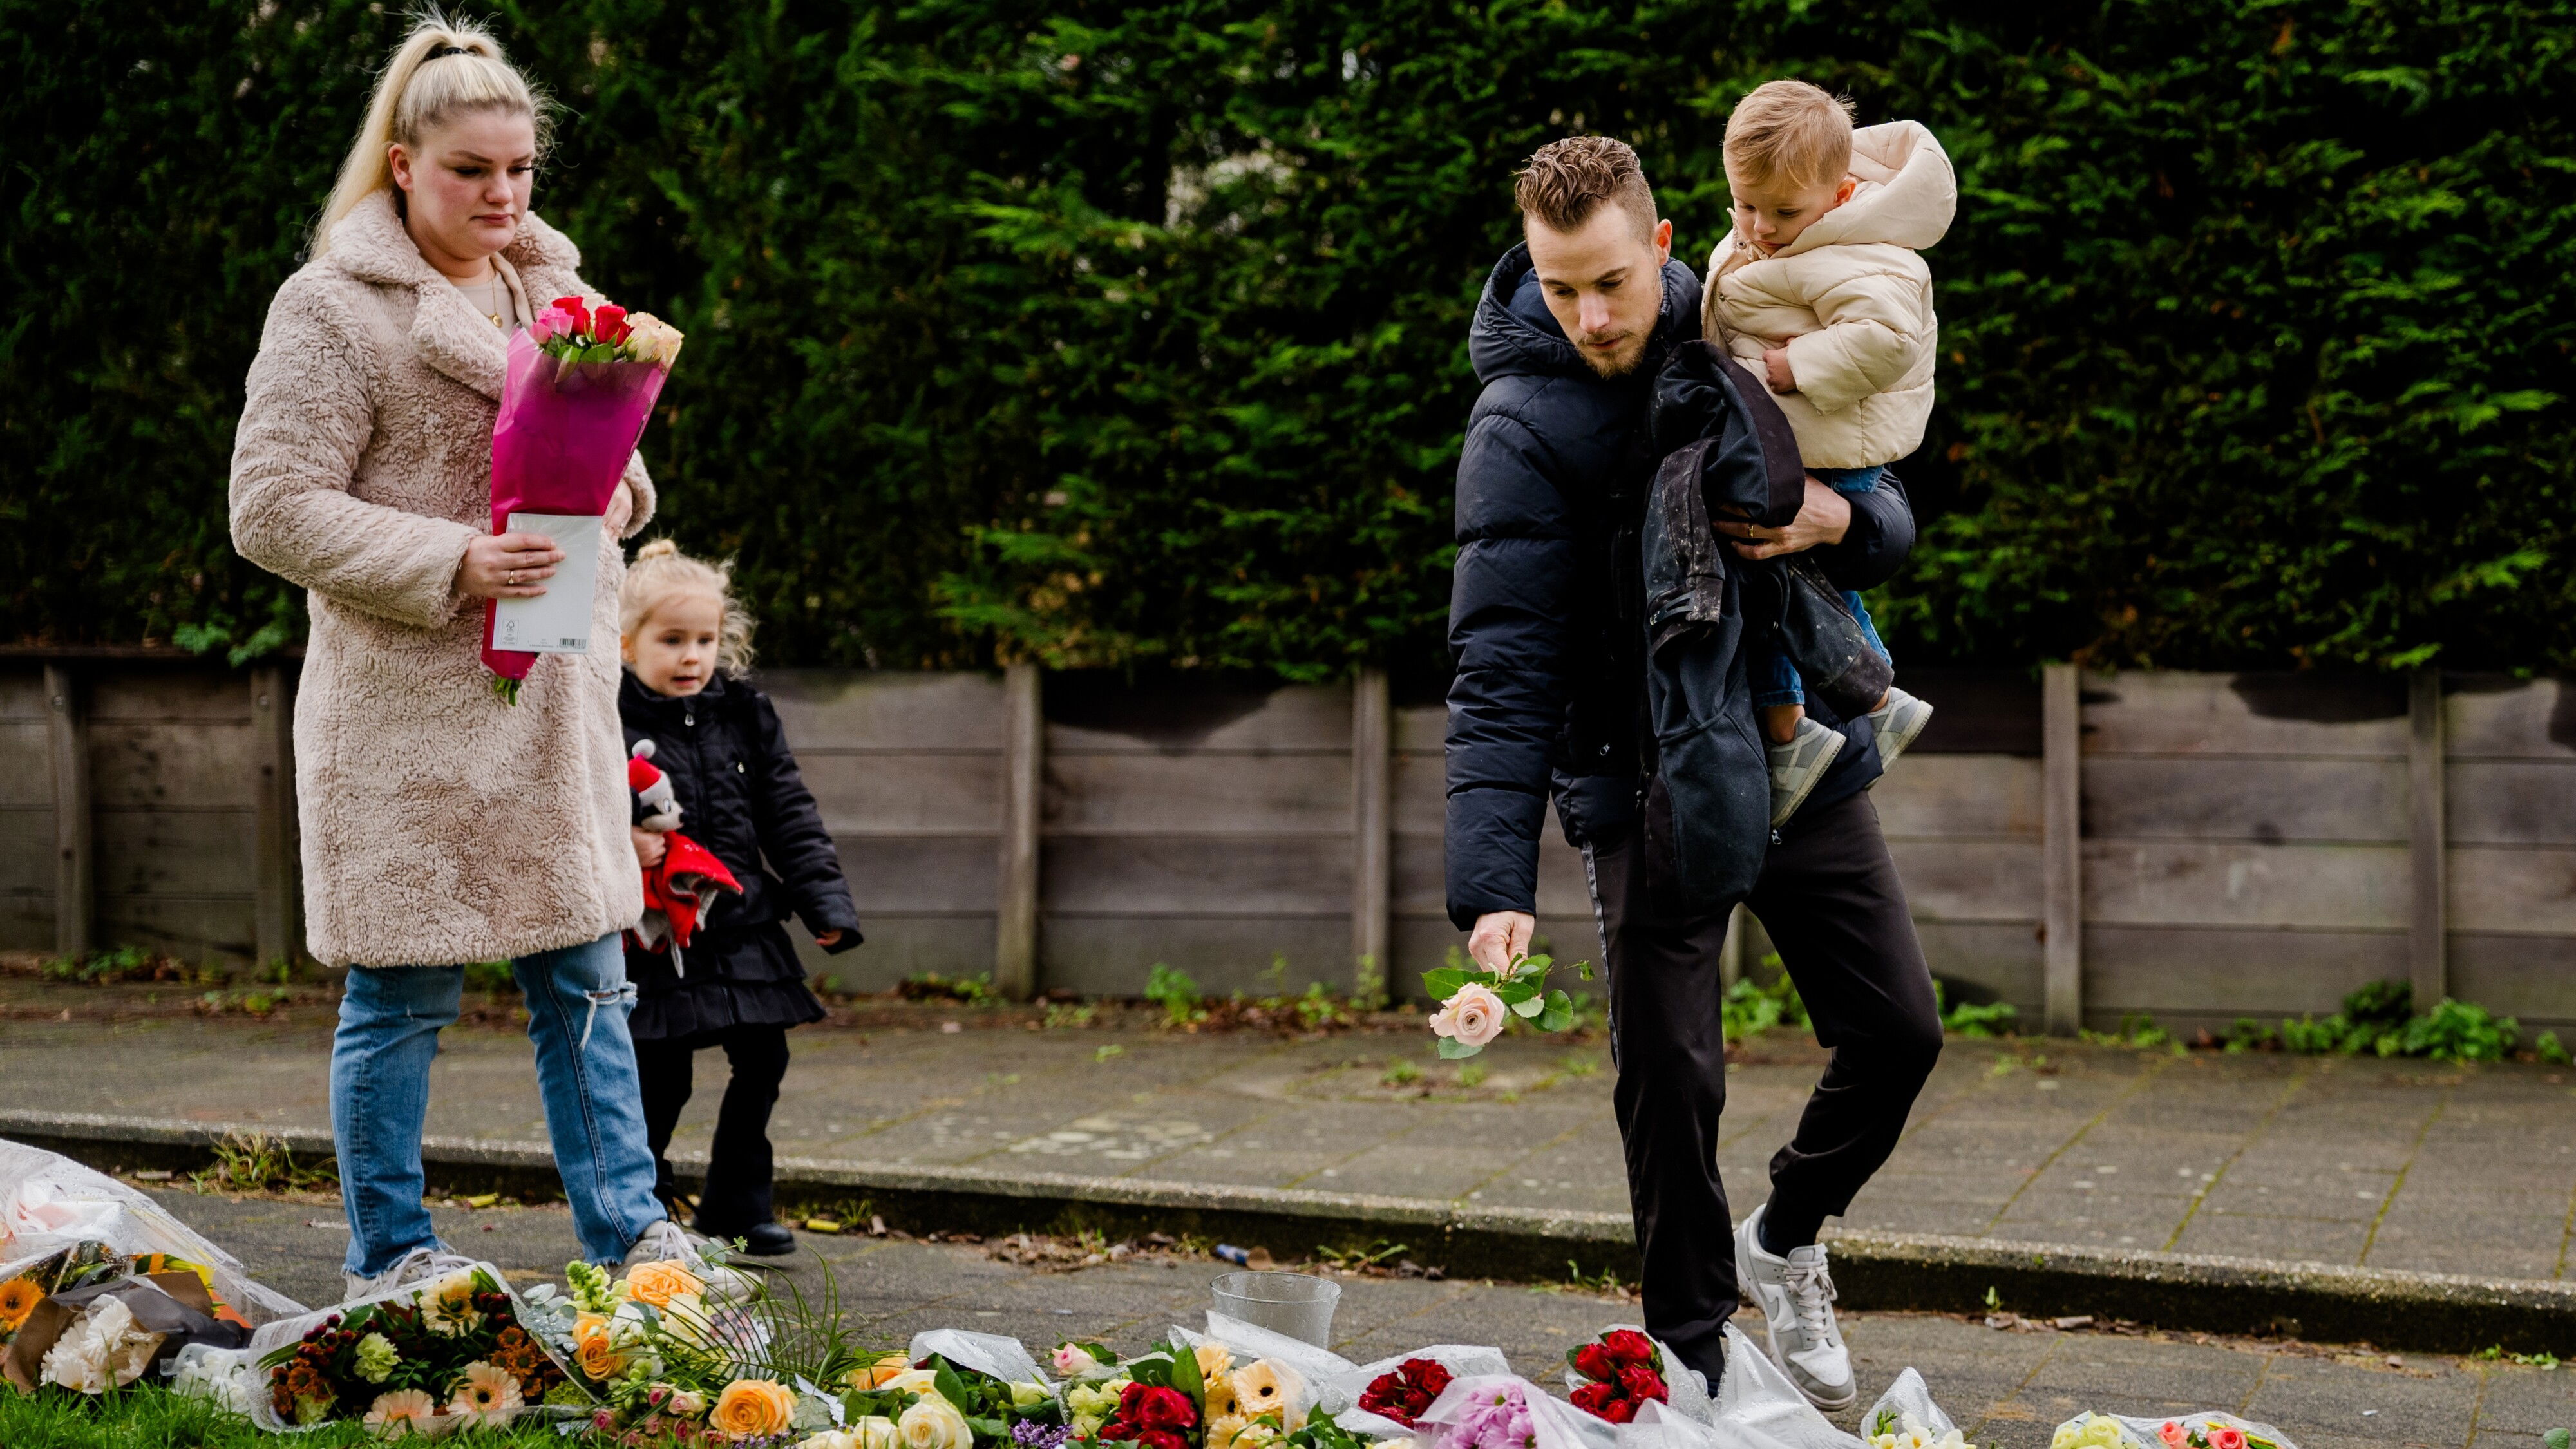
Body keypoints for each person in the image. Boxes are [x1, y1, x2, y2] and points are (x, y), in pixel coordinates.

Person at [227, 13, 749, 1302]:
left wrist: (608, 489)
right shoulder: (332, 309)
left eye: (519, 171)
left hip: (548, 703)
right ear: (403, 164)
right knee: (400, 1002)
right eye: (473, 172)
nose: (502, 197)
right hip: (409, 714)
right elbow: (271, 510)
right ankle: (391, 1258)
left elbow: (603, 482)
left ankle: (632, 1249)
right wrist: (453, 560)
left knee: (586, 993)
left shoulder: (552, 293)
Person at [1443, 135, 1942, 1408]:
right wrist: (1491, 882)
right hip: (1642, 779)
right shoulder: (1514, 425)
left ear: (1659, 247)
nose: (1588, 315)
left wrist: (1845, 519)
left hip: (1794, 747)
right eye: (1559, 290)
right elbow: (1502, 660)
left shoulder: (1736, 318)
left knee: (1895, 1031)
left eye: (1607, 282)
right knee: (1668, 1074)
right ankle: (1696, 1364)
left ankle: (1786, 1236)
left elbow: (1874, 485)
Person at [1707, 80, 1953, 824]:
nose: (1761, 226)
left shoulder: (1863, 249)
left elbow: (1886, 341)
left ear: (1841, 190)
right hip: (1800, 437)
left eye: (1784, 212)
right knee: (1802, 581)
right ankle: (1876, 699)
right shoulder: (1780, 234)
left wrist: (1793, 368)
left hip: (1828, 444)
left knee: (1776, 575)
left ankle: (1794, 731)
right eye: (1746, 205)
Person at [618, 540, 861, 1256]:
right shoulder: (600, 716)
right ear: (627, 643)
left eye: (706, 640)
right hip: (656, 931)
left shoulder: (746, 713)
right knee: (659, 1074)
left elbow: (789, 811)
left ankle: (735, 1204)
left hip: (744, 919)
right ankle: (645, 1204)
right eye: (672, 640)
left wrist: (827, 907)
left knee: (765, 1058)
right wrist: (618, 841)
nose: (693, 656)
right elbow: (563, 807)